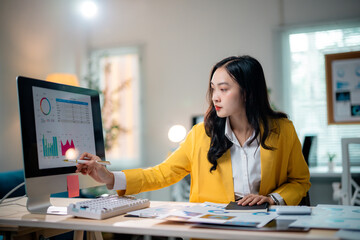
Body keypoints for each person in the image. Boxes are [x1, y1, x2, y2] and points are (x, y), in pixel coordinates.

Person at [76, 55, 311, 206]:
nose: (215, 97)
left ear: (247, 92)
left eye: (224, 89)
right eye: (213, 88)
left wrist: (271, 199)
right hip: (214, 230)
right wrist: (110, 177)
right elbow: (161, 174)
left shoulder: (283, 130)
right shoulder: (201, 134)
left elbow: (300, 181)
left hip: (265, 230)